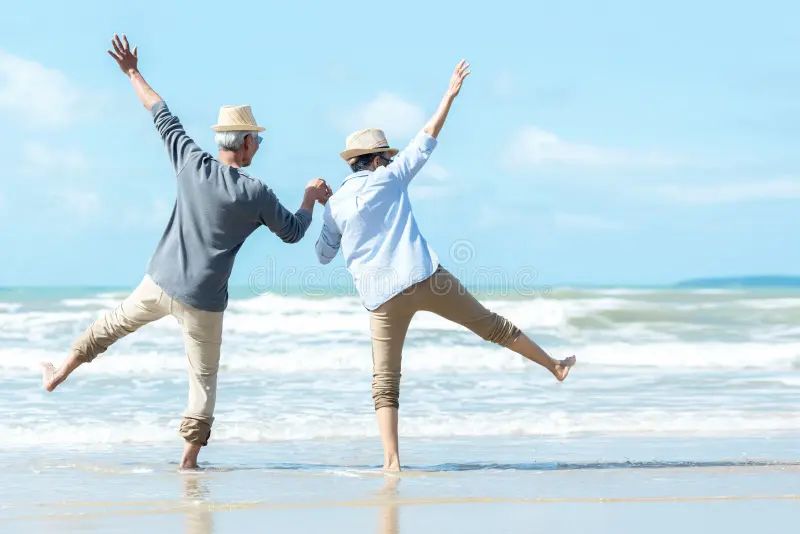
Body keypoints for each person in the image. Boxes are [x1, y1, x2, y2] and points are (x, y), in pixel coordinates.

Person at [39, 34, 332, 469]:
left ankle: (60, 371)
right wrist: (310, 198)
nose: (257, 147)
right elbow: (293, 232)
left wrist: (132, 71)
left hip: (159, 282)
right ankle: (188, 461)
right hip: (205, 301)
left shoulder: (190, 161)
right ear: (247, 142)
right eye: (257, 141)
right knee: (203, 380)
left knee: (110, 325)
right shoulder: (256, 193)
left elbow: (158, 111)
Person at [314, 60, 576, 471]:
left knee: (385, 383)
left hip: (380, 298)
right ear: (378, 158)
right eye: (386, 155)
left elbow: (323, 254)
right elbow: (427, 137)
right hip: (423, 277)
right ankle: (554, 366)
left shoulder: (335, 205)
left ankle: (392, 461)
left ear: (353, 162)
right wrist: (449, 95)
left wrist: (317, 203)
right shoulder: (390, 178)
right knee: (491, 326)